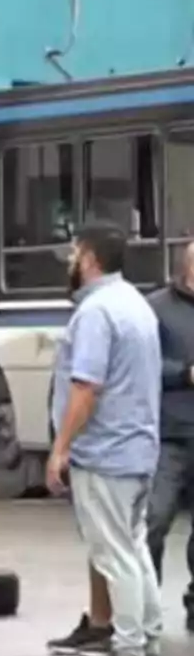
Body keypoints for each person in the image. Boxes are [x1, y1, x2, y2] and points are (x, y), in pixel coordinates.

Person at [46, 222, 162, 656]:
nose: (71, 263)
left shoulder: (95, 313)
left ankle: (130, 651)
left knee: (113, 553)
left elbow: (86, 387)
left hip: (105, 453)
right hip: (137, 450)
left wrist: (60, 448)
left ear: (90, 258)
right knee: (134, 550)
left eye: (75, 254)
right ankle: (147, 640)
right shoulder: (136, 304)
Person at [146, 241, 194, 631]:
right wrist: (184, 373)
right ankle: (147, 605)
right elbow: (141, 363)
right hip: (170, 433)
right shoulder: (157, 308)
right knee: (155, 521)